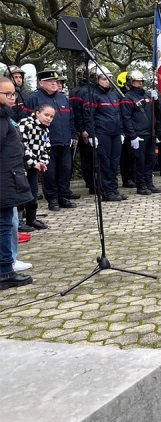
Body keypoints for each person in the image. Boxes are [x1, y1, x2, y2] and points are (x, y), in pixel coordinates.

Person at [24, 69, 78, 211]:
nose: (54, 83)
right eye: (50, 81)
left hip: (65, 141)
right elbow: (27, 121)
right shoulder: (34, 99)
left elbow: (70, 119)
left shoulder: (62, 98)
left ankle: (63, 196)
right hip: (45, 143)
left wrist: (73, 135)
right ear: (41, 83)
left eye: (55, 81)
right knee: (49, 172)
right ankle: (52, 199)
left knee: (65, 170)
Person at [0, 76, 34, 290]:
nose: (13, 98)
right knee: (5, 225)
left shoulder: (5, 116)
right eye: (7, 94)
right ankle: (4, 271)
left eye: (13, 93)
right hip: (4, 179)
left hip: (8, 176)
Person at [82, 66, 127, 201]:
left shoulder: (113, 95)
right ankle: (106, 191)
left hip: (115, 134)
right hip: (102, 134)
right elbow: (88, 115)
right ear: (96, 80)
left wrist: (120, 132)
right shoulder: (91, 95)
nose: (107, 81)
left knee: (114, 163)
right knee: (104, 163)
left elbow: (118, 115)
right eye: (104, 78)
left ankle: (113, 189)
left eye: (108, 78)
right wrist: (91, 135)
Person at [121, 70, 161, 195]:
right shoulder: (127, 98)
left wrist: (156, 100)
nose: (140, 83)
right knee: (139, 161)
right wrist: (132, 136)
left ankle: (149, 183)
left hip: (150, 133)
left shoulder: (147, 96)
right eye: (137, 81)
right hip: (138, 135)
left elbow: (157, 112)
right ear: (130, 82)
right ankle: (141, 184)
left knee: (150, 160)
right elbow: (126, 118)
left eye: (141, 81)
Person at [17, 103, 54, 231]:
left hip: (35, 165)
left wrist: (43, 162)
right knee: (21, 191)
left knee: (33, 192)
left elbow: (46, 147)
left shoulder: (45, 128)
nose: (49, 118)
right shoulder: (25, 123)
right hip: (22, 164)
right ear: (37, 113)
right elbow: (22, 145)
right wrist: (33, 163)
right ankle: (18, 221)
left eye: (51, 116)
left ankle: (31, 219)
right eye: (46, 115)